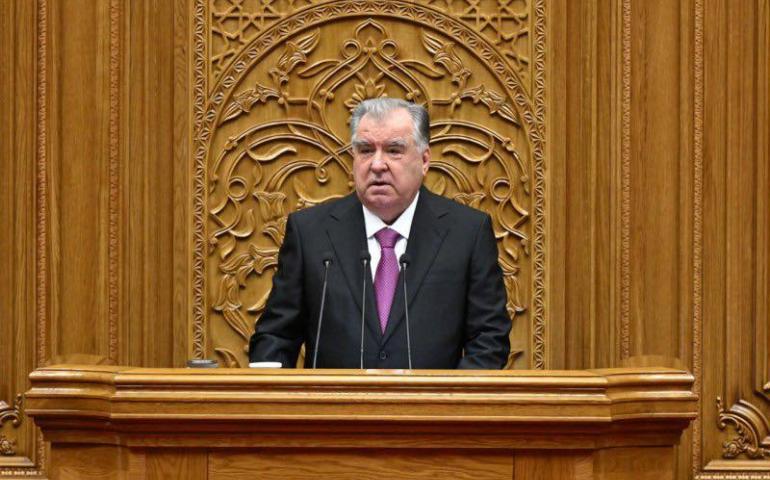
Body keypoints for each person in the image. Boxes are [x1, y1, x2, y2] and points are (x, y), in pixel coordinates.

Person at [248, 98, 511, 369]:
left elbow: (489, 340)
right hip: (335, 398)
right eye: (365, 150)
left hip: (432, 398)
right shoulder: (310, 233)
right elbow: (276, 337)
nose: (376, 165)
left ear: (424, 160)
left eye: (394, 150)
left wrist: (446, 394)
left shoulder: (467, 233)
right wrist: (274, 386)